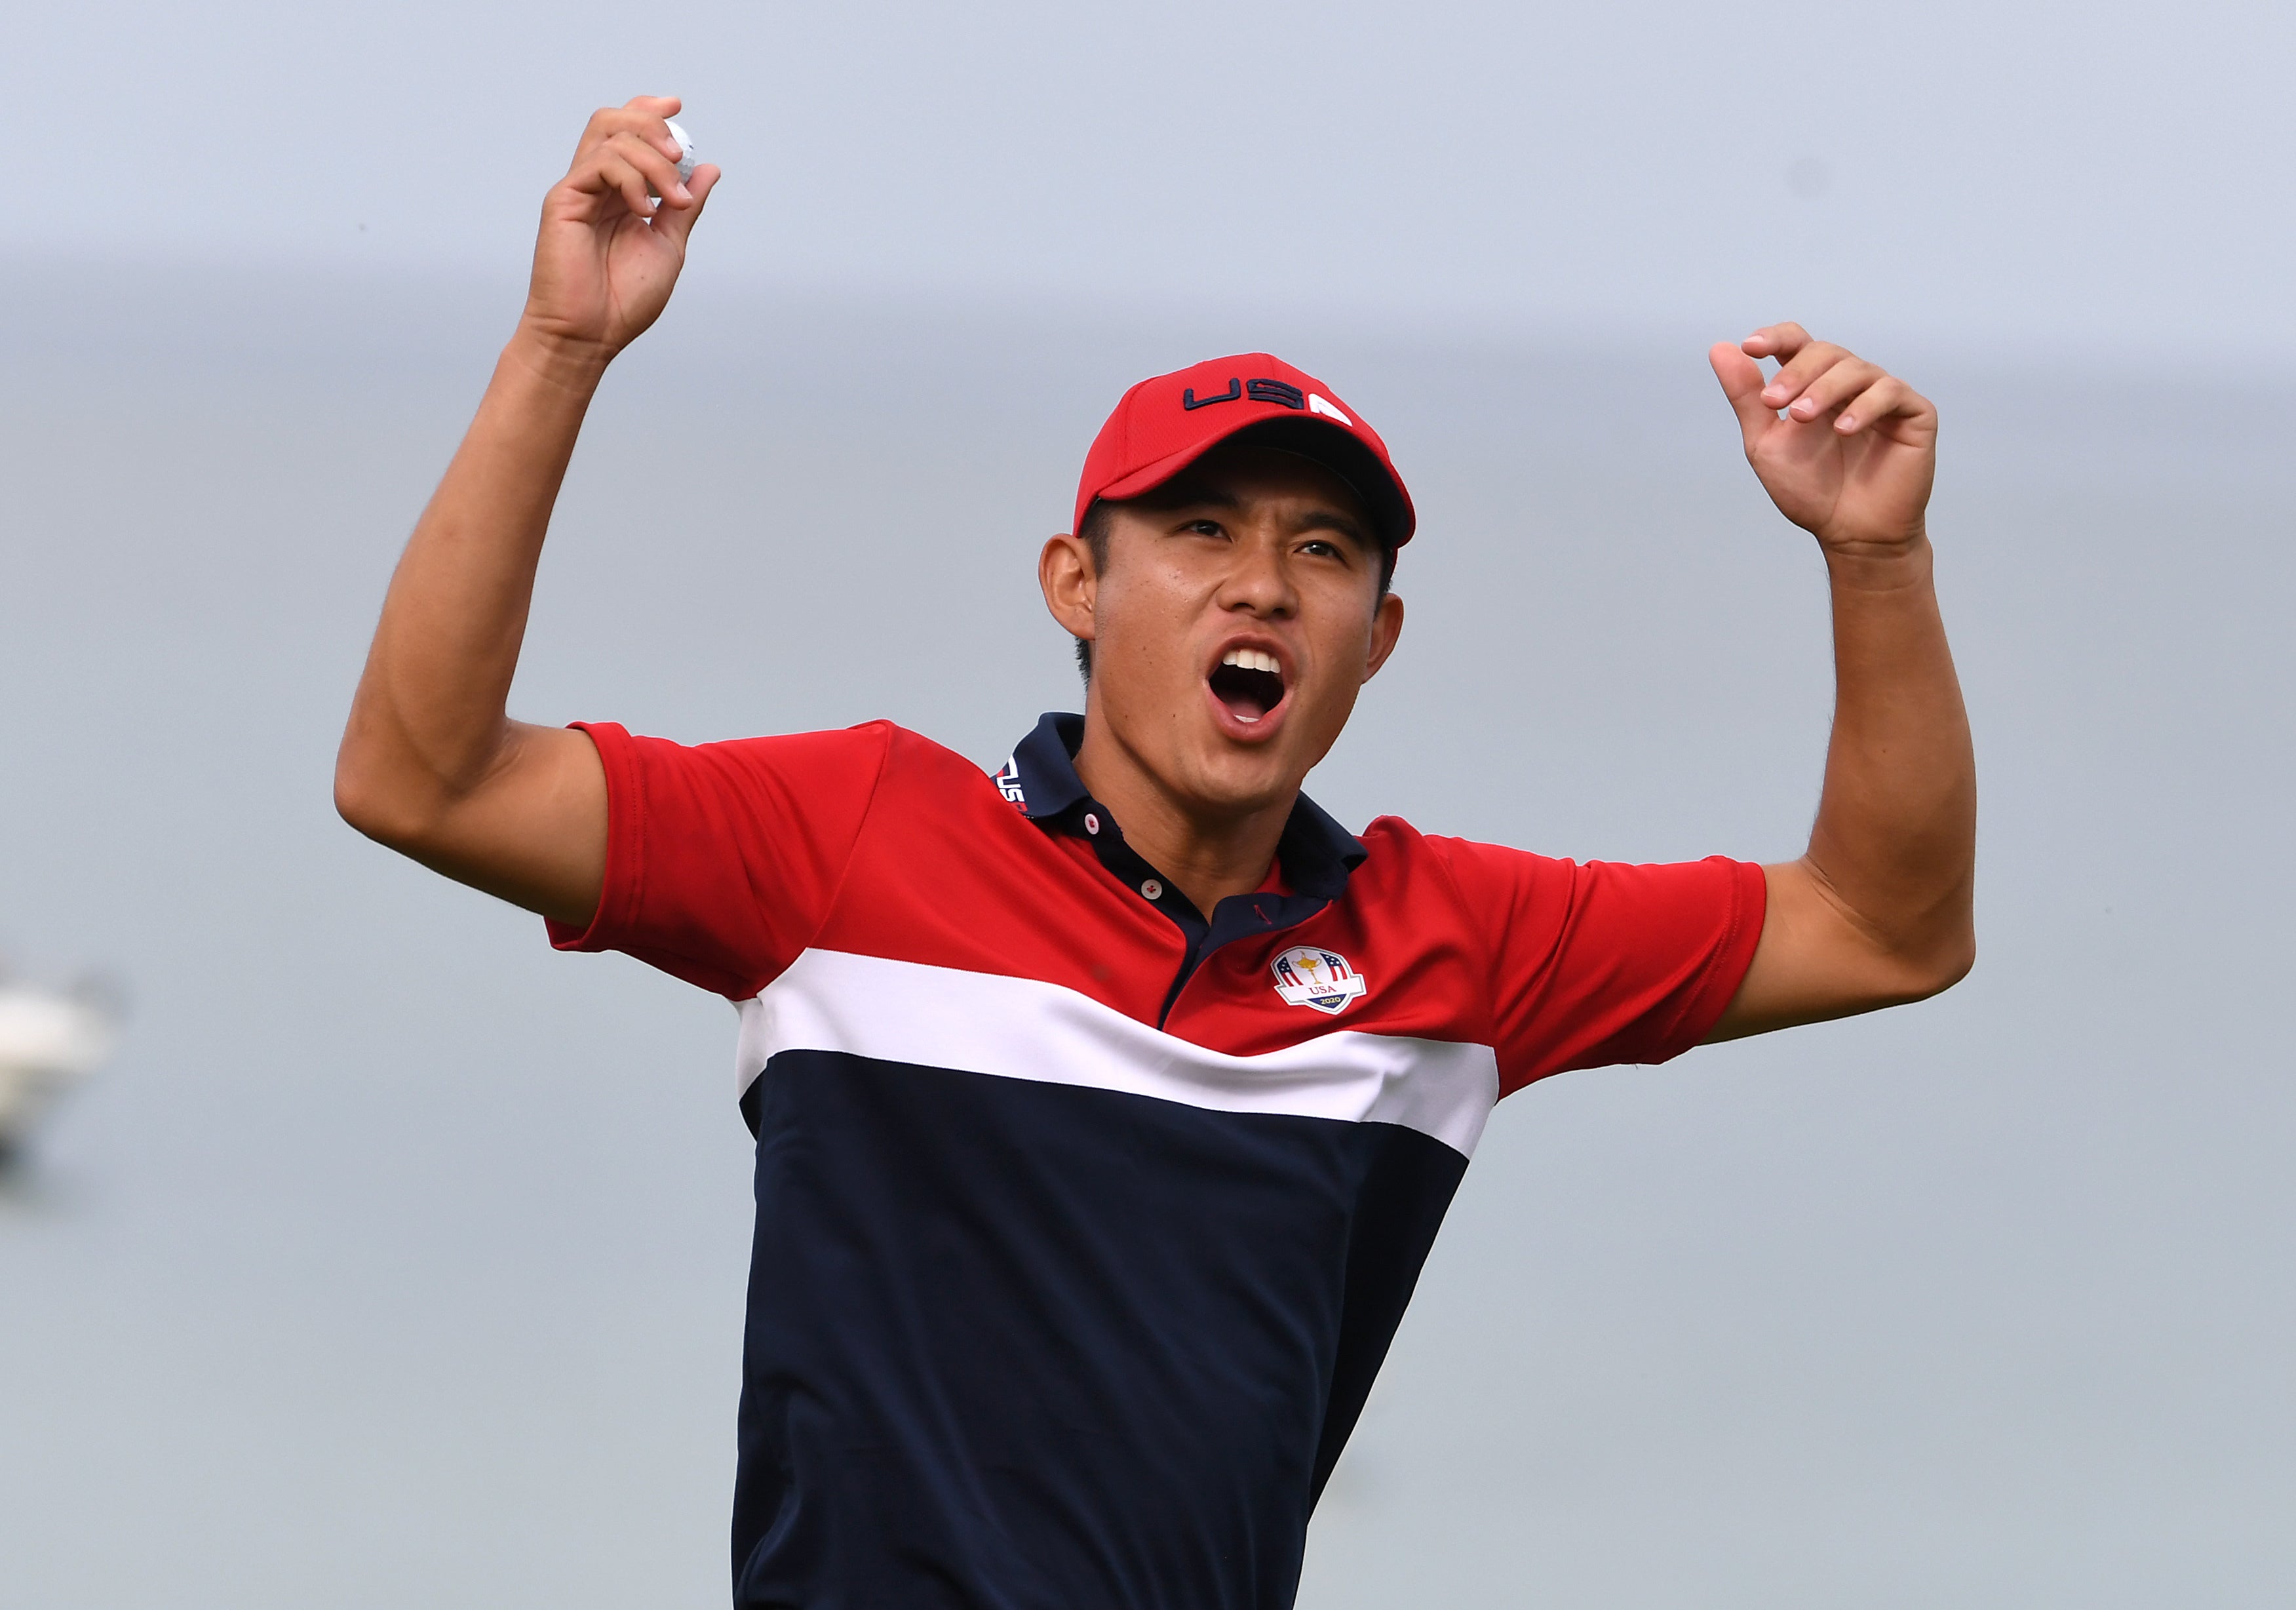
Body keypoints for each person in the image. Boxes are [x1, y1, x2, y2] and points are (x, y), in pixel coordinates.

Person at [334, 96, 1975, 1609]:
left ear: (1378, 637)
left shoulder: (1447, 941)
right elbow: (423, 777)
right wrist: (563, 344)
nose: (1262, 583)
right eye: (1201, 531)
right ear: (1075, 585)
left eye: (1319, 550)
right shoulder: (851, 836)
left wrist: (1875, 554)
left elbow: (1883, 926)